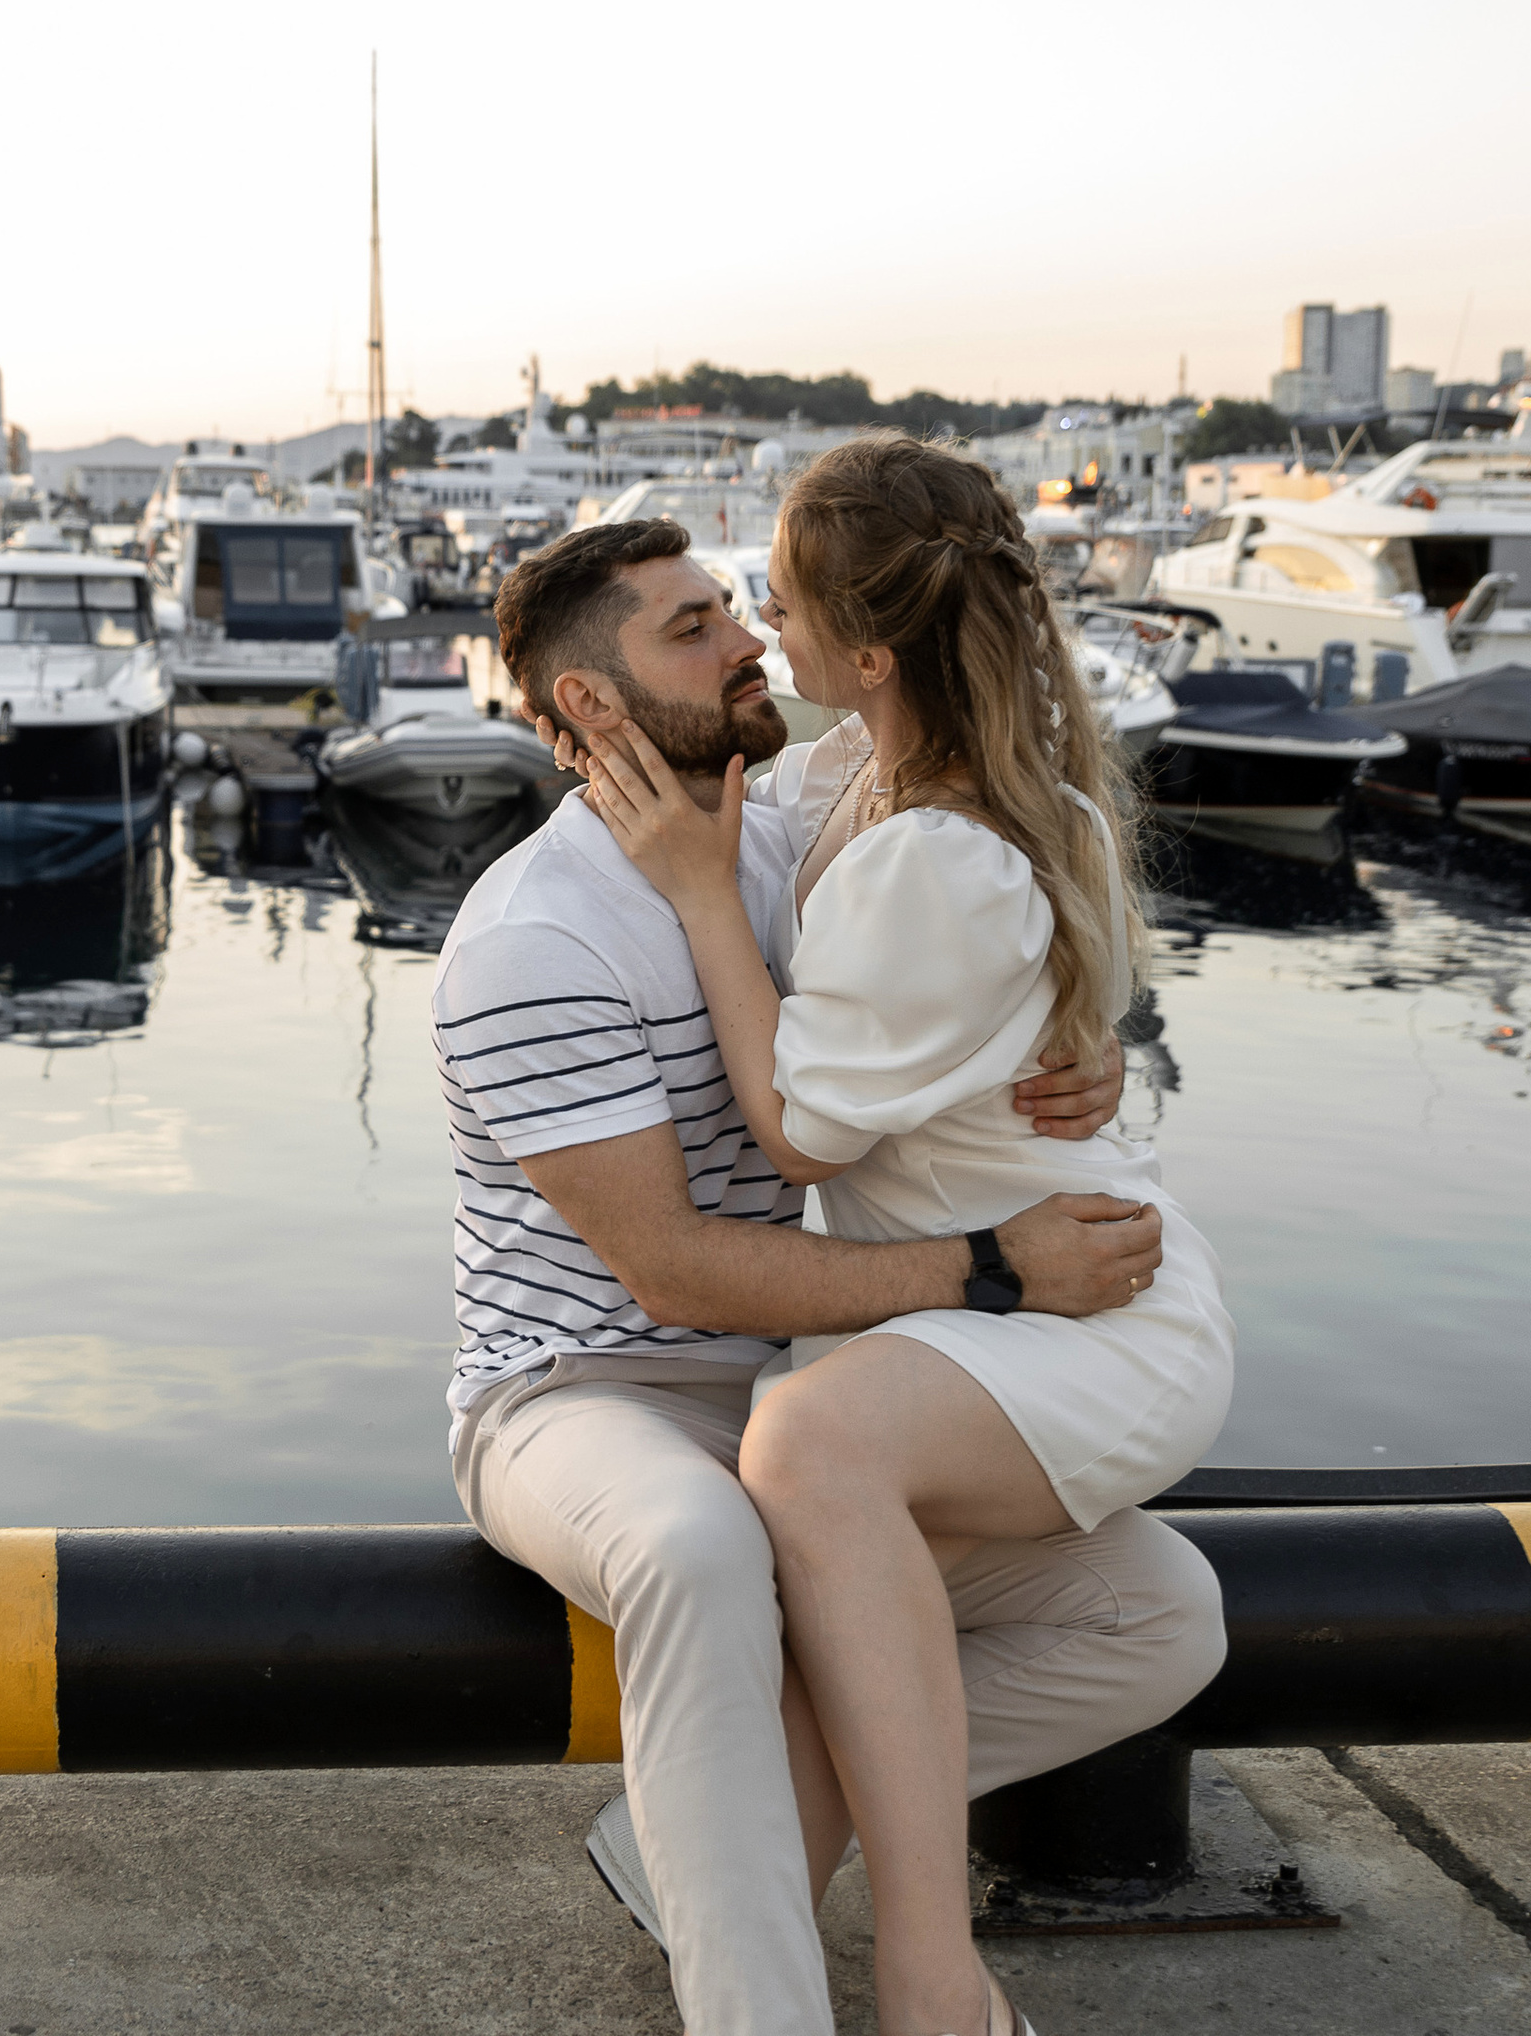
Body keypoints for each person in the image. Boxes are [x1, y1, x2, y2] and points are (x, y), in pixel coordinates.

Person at [436, 499, 1228, 2036]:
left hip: (792, 1387)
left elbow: (976, 910)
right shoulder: (532, 939)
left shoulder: (798, 815)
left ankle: (690, 1844)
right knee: (693, 1547)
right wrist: (992, 1267)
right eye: (693, 627)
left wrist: (1086, 1053)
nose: (746, 640)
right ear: (588, 702)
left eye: (737, 606)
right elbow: (673, 1270)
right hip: (577, 1396)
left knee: (1160, 1609)